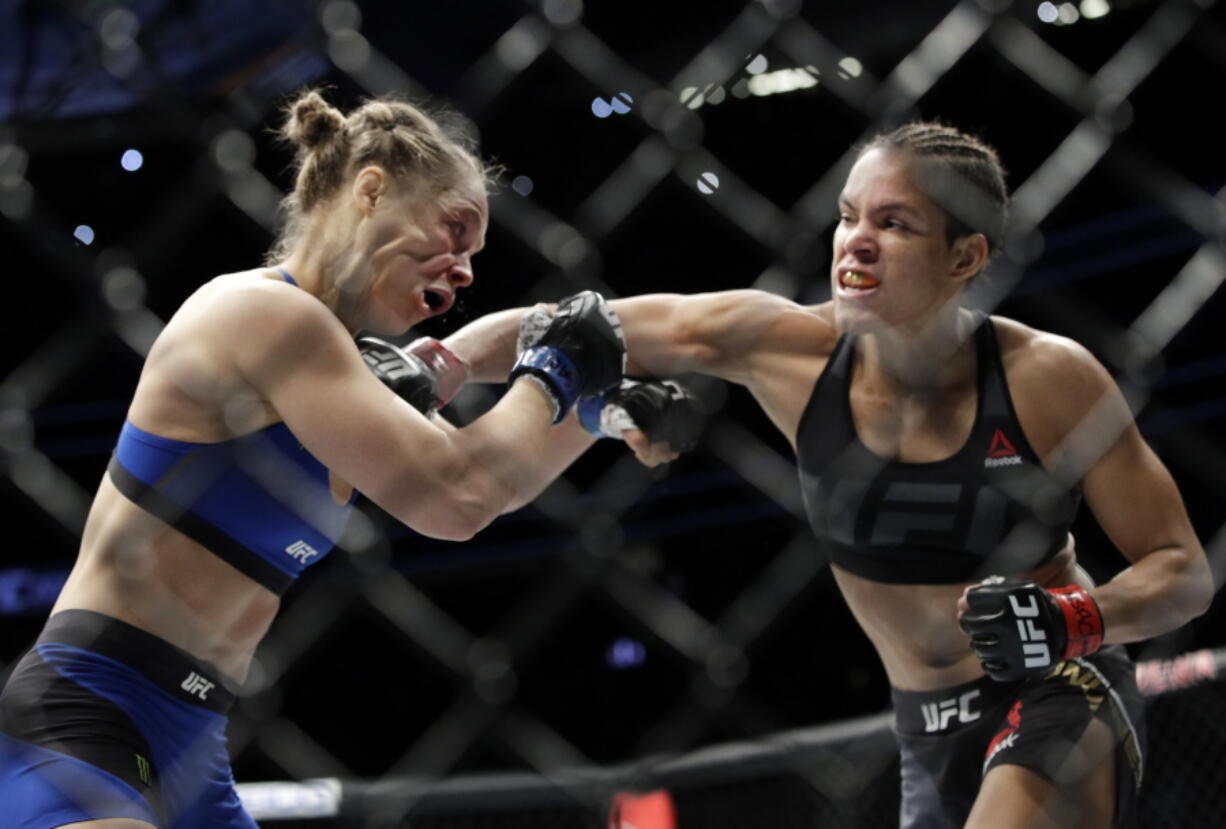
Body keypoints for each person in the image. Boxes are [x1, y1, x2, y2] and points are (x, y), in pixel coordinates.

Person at [446, 121, 1213, 828]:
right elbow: (569, 324)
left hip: (1059, 690)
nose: (856, 242)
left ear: (965, 257)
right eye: (850, 215)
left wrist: (1072, 618)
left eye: (894, 223)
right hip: (925, 725)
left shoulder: (1049, 379)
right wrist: (436, 363)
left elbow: (1182, 570)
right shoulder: (782, 347)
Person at [0, 89, 696, 829]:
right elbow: (456, 495)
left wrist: (591, 410)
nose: (463, 270)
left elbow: (485, 475)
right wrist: (558, 368)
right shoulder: (263, 314)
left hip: (194, 744)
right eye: (454, 230)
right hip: (90, 715)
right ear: (370, 190)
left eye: (474, 256)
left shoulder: (342, 378)